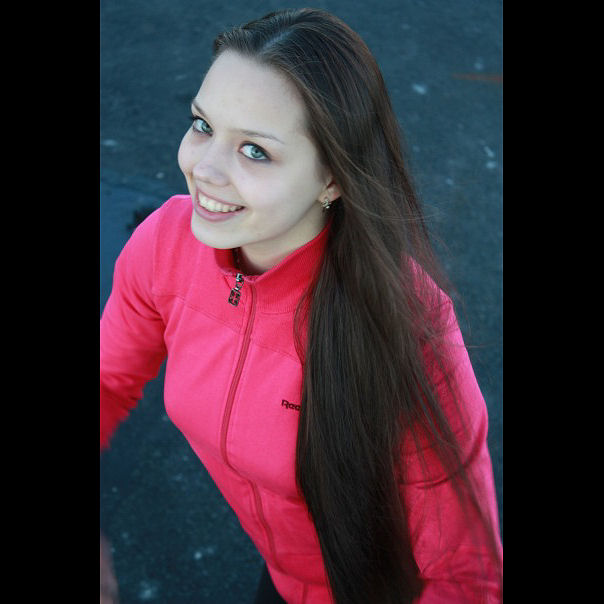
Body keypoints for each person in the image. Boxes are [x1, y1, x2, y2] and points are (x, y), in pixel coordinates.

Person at [100, 8, 503, 603]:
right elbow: (106, 381)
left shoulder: (407, 327)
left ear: (332, 179)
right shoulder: (165, 244)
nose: (203, 169)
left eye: (255, 151)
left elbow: (466, 575)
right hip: (280, 576)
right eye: (203, 125)